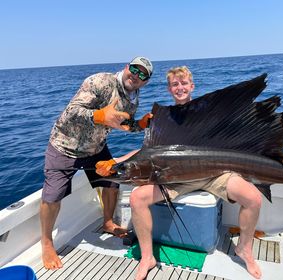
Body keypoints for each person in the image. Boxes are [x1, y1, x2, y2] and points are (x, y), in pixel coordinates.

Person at [96, 66, 263, 279]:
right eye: (175, 84)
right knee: (138, 197)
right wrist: (115, 160)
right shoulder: (163, 118)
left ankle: (244, 249)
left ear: (192, 86)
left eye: (184, 83)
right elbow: (147, 152)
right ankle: (148, 257)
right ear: (169, 89)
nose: (180, 87)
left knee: (253, 198)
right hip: (175, 177)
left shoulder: (206, 113)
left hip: (214, 174)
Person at [40, 56, 154, 270]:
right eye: (135, 70)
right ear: (126, 67)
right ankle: (46, 242)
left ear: (146, 82)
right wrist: (98, 116)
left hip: (96, 147)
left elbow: (123, 123)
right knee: (53, 194)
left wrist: (140, 124)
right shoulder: (100, 81)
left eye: (143, 75)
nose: (136, 76)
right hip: (65, 145)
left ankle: (108, 222)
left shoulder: (133, 98)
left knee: (112, 182)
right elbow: (71, 112)